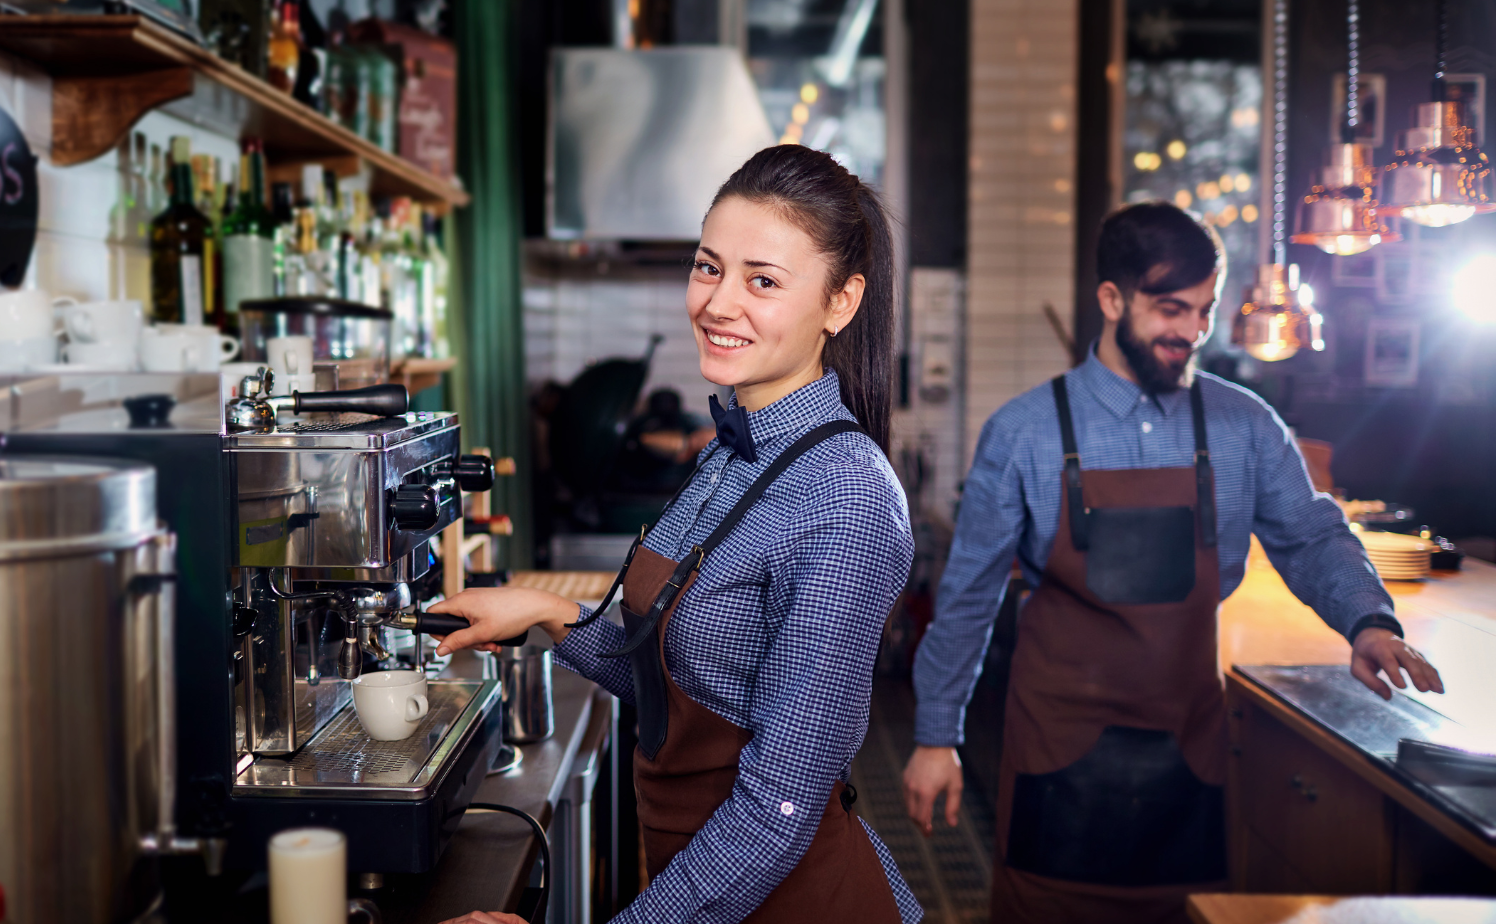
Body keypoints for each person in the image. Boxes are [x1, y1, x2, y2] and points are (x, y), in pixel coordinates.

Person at [903, 202, 1444, 924]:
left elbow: (1311, 535)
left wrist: (1368, 621)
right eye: (1170, 308)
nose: (1191, 331)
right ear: (1111, 299)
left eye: (1204, 310)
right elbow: (966, 599)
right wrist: (937, 736)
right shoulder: (1024, 432)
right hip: (1057, 746)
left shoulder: (1245, 424)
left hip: (1187, 745)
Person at [430, 146, 923, 924]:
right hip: (694, 883)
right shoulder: (727, 451)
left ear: (841, 302)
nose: (719, 303)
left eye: (762, 280)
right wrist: (542, 611)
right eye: (708, 267)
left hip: (793, 901)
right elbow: (677, 687)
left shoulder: (848, 498)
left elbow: (776, 811)